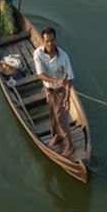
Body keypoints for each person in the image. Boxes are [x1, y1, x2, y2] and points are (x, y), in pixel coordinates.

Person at [32, 27, 75, 155]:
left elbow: (70, 78)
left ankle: (70, 144)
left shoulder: (63, 57)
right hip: (49, 88)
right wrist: (55, 80)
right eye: (47, 41)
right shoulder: (38, 53)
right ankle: (56, 135)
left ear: (55, 40)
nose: (50, 44)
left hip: (61, 90)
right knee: (52, 113)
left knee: (61, 117)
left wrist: (67, 98)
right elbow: (40, 74)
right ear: (43, 41)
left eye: (52, 41)